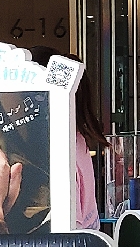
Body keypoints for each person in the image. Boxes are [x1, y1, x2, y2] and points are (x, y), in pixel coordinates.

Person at [32, 46, 107, 229]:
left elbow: (71, 222)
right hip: (87, 239)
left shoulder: (57, 144)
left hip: (73, 242)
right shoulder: (76, 136)